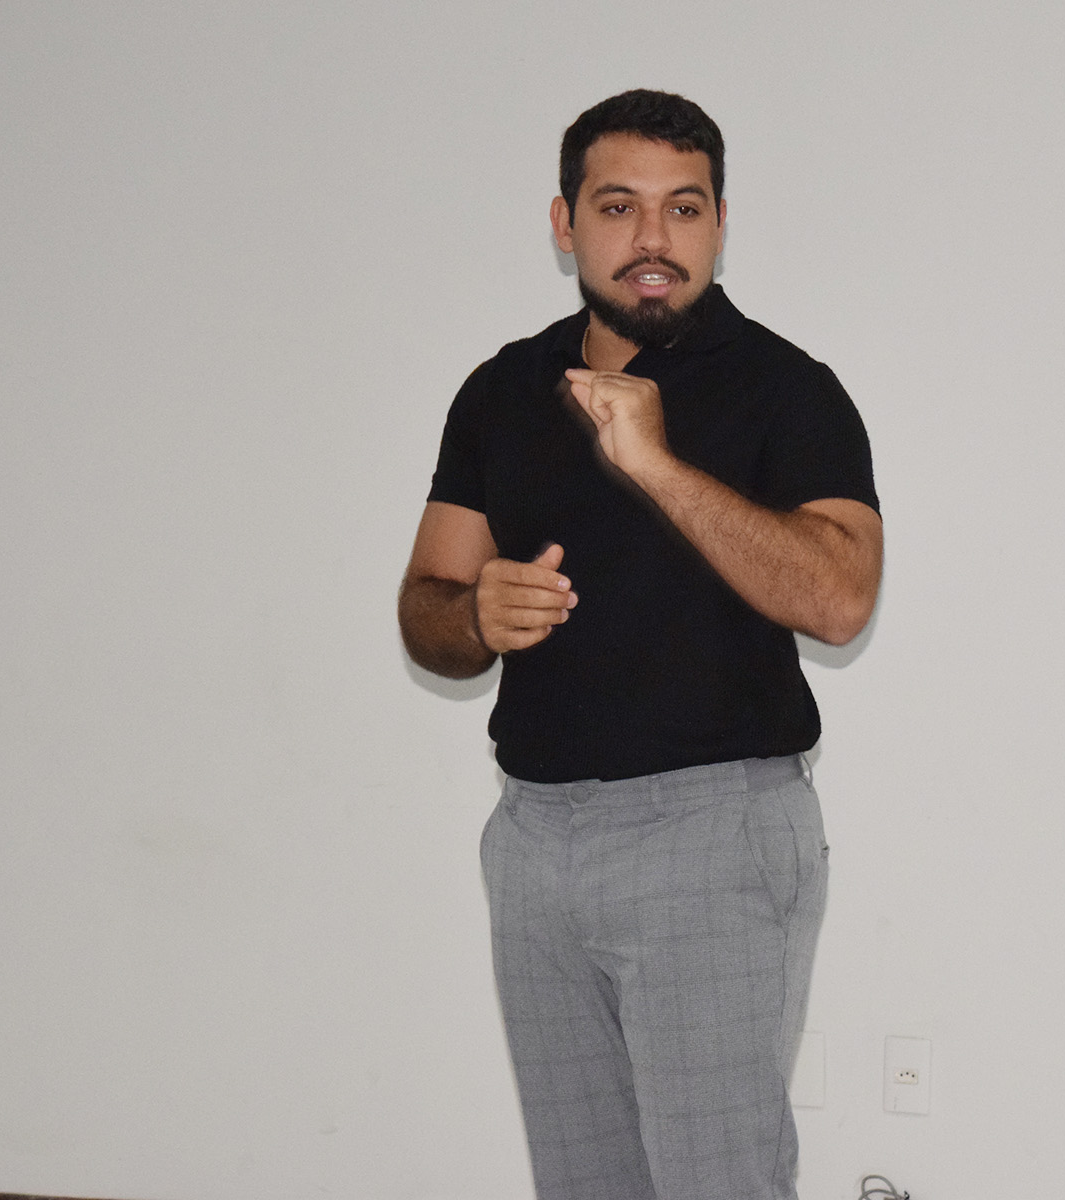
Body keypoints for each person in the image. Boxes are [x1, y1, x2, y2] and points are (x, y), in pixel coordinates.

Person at [399, 89, 882, 1200]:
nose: (653, 239)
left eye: (684, 208)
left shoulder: (788, 390)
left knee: (717, 1183)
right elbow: (426, 603)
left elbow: (840, 599)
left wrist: (657, 464)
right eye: (618, 207)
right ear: (565, 224)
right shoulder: (501, 390)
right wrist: (472, 616)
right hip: (535, 837)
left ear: (720, 224)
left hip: (712, 834)